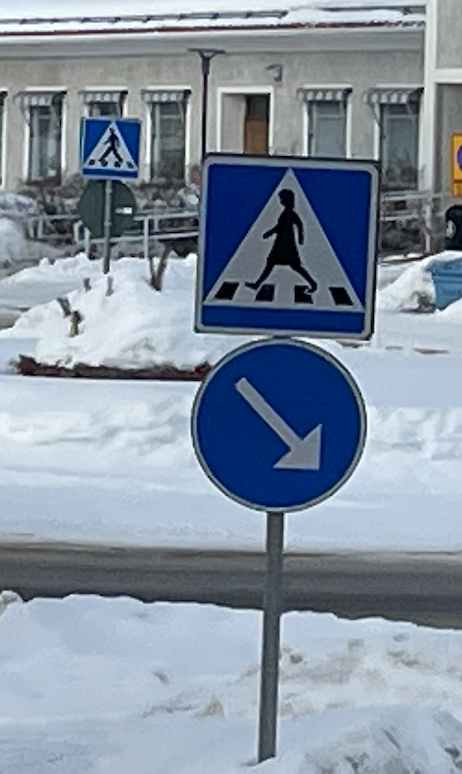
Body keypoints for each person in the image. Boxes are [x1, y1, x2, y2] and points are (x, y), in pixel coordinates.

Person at [245, 188, 317, 292]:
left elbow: (299, 224)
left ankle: (313, 283)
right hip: (281, 242)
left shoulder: (289, 213)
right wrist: (270, 232)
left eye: (282, 199)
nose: (280, 201)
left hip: (286, 244)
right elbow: (280, 226)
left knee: (287, 265)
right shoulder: (285, 213)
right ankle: (257, 284)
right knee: (274, 263)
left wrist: (300, 237)